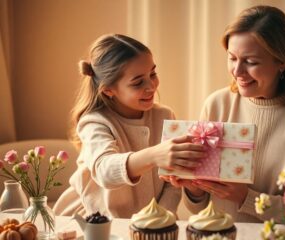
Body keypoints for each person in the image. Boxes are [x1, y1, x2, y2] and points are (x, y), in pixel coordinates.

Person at [164, 5, 285, 223]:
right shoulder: (217, 104)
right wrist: (195, 189)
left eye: (251, 62)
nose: (237, 71)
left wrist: (247, 198)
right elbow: (198, 209)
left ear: (282, 62)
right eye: (232, 58)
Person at [53, 34, 206, 218]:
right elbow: (104, 171)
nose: (151, 86)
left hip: (145, 225)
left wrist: (162, 216)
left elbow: (171, 183)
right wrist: (155, 155)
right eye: (138, 82)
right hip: (90, 219)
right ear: (108, 89)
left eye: (153, 74)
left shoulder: (164, 115)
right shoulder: (94, 122)